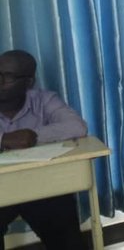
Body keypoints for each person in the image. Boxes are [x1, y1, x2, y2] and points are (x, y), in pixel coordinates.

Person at [0, 50, 88, 249]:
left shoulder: (43, 99)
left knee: (66, 234)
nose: (0, 81)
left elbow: (77, 127)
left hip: (41, 184)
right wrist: (4, 139)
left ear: (28, 82)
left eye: (8, 76)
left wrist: (33, 135)